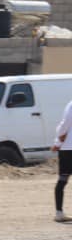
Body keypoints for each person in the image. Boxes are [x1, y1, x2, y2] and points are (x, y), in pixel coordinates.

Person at [55, 93, 72, 223]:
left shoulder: (70, 105)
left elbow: (64, 126)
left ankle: (59, 213)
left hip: (67, 148)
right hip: (68, 147)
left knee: (62, 180)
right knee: (62, 180)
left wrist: (57, 143)